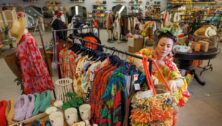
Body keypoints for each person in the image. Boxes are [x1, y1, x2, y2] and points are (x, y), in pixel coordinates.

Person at [129, 31, 190, 107]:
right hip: (139, 88)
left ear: (171, 48)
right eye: (162, 45)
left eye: (168, 46)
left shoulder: (169, 65)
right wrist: (147, 72)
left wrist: (174, 82)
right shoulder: (147, 53)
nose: (164, 48)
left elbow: (182, 81)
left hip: (155, 97)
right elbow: (134, 57)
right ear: (156, 44)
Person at [10, 12, 54, 94]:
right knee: (34, 95)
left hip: (34, 72)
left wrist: (38, 72)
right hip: (28, 71)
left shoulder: (28, 40)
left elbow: (35, 57)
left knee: (40, 92)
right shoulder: (22, 40)